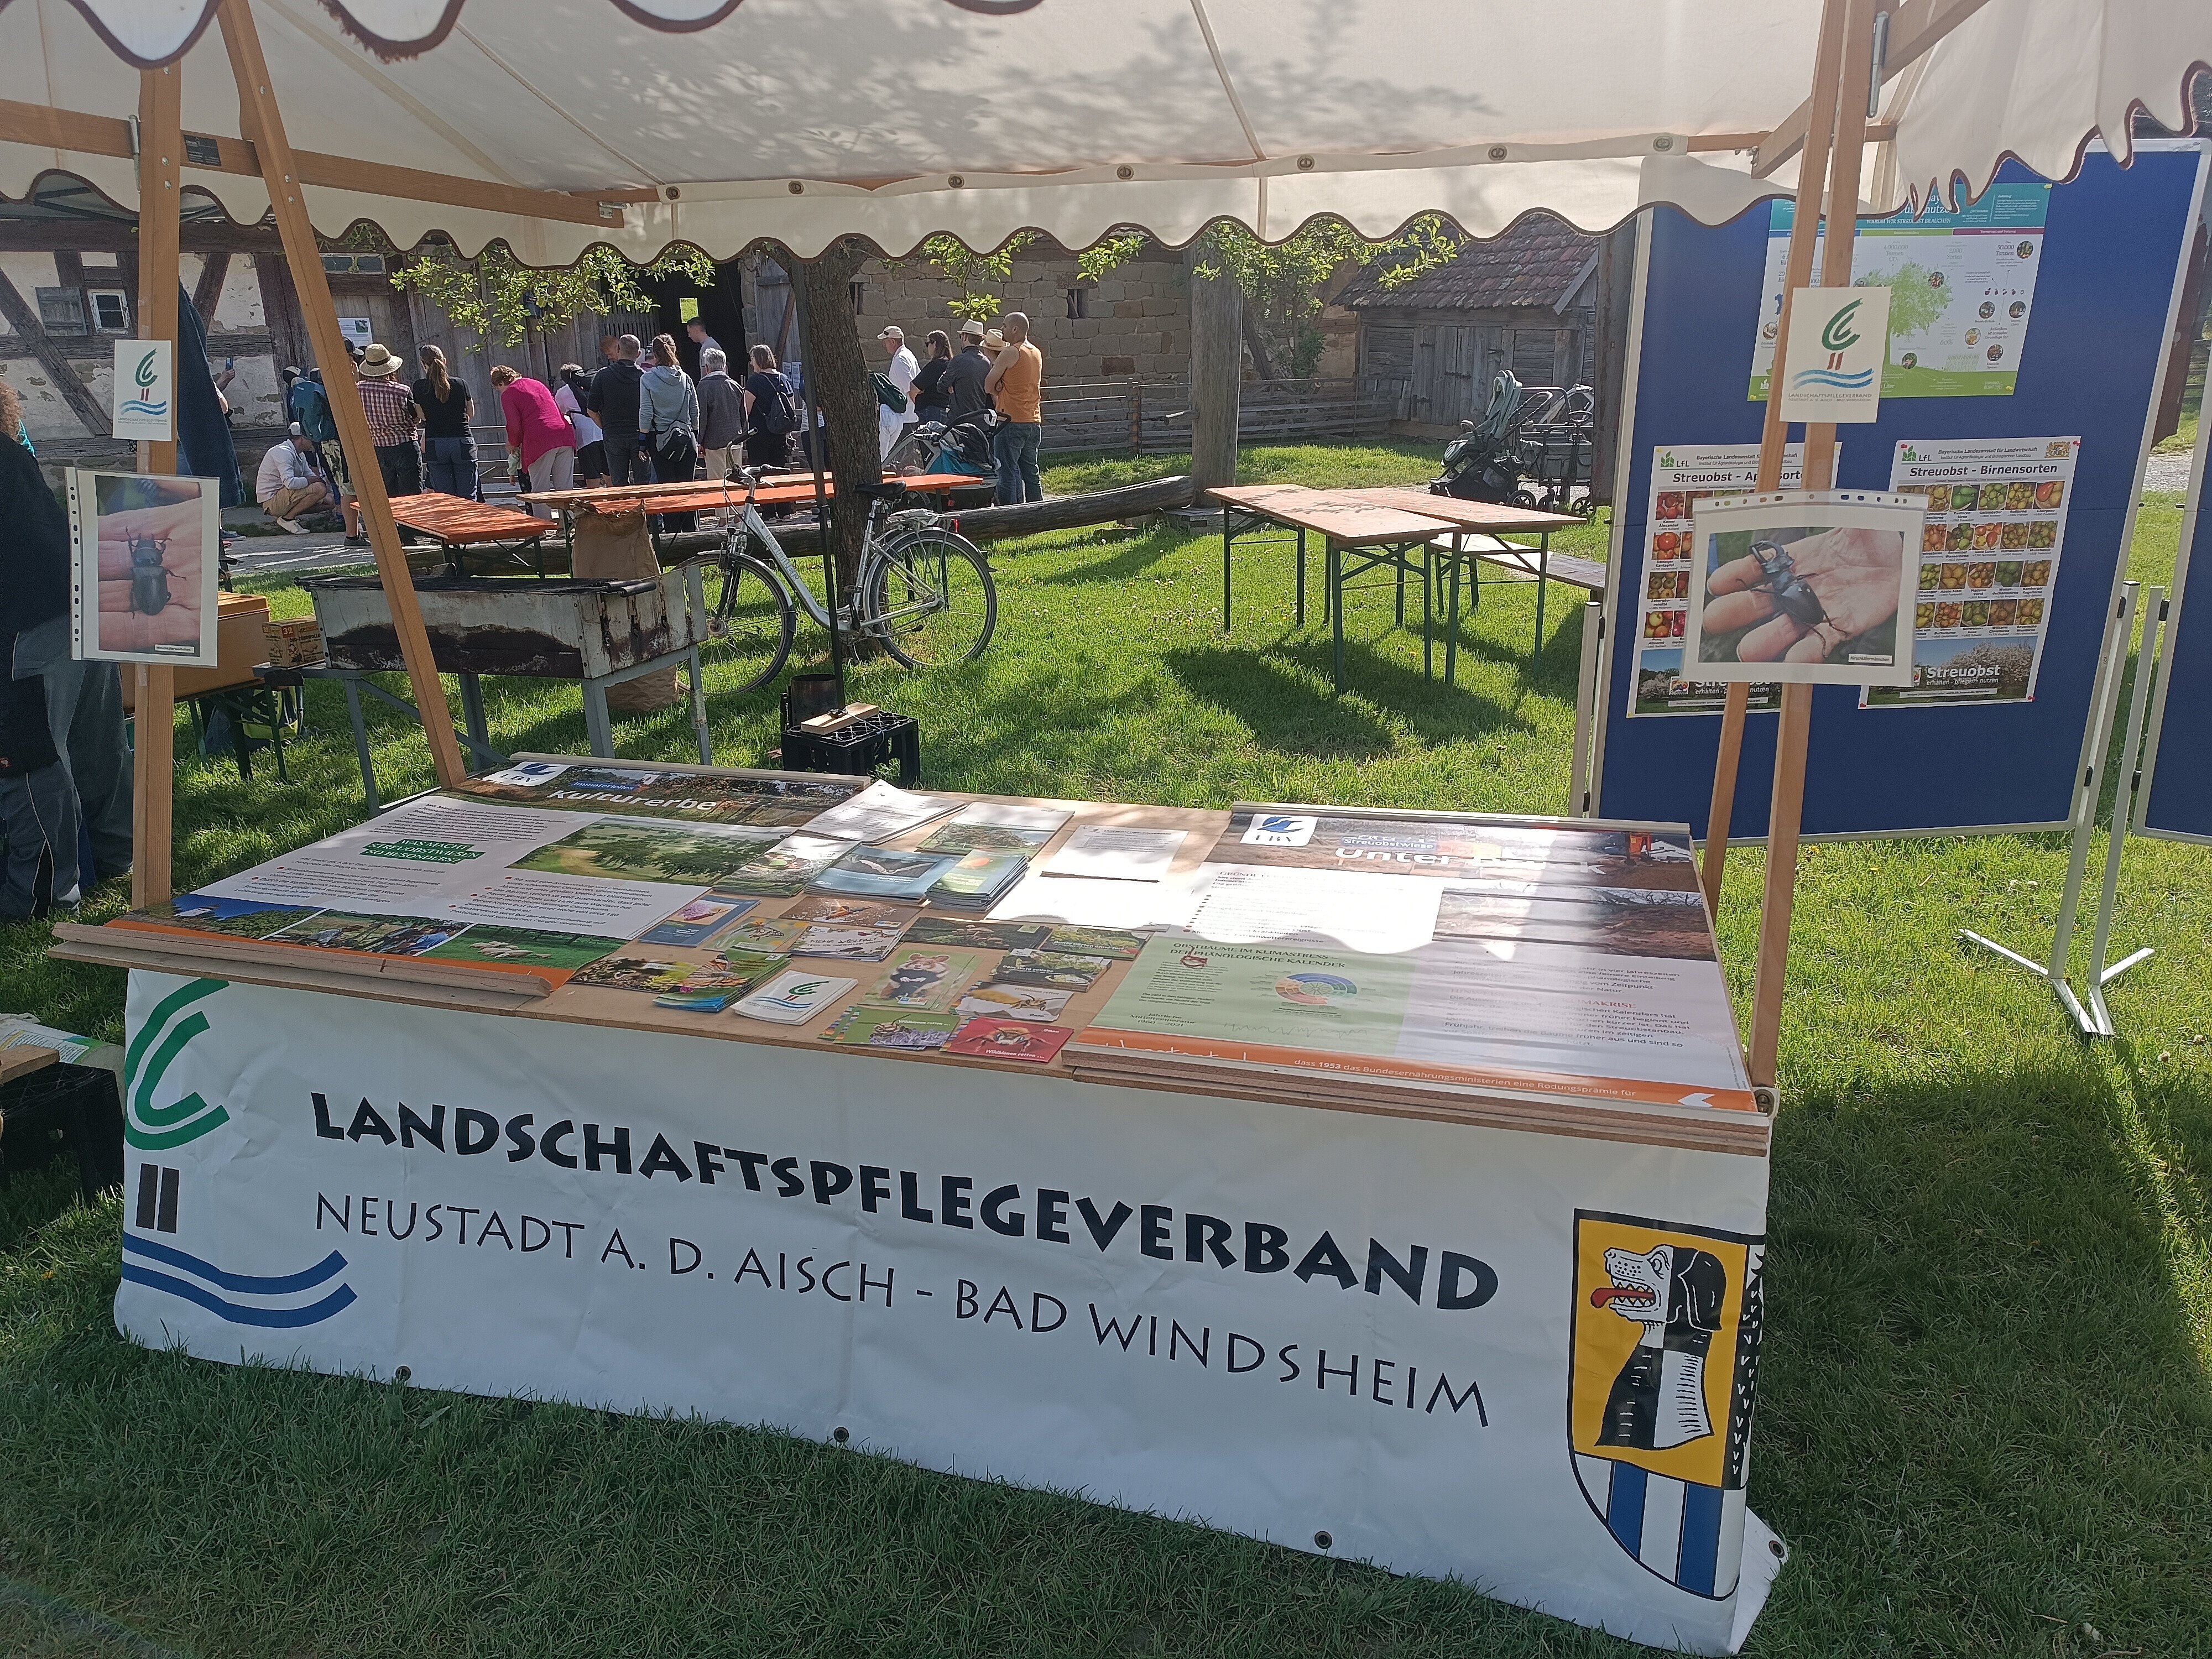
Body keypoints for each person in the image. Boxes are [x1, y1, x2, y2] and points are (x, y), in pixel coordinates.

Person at [0, 378, 129, 916]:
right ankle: (116, 860)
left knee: (32, 753)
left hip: (30, 618)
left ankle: (43, 894)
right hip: (78, 601)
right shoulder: (12, 452)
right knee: (95, 744)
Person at [491, 366, 576, 515]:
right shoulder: (537, 384)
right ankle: (570, 524)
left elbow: (515, 427)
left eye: (498, 389)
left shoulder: (509, 394)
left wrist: (512, 444)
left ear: (500, 383)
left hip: (539, 441)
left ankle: (543, 525)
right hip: (564, 435)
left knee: (540, 490)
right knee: (565, 489)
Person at [639, 333, 701, 532]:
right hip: (686, 439)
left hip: (661, 441)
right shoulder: (686, 378)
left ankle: (673, 534)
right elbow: (695, 410)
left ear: (654, 354)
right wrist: (695, 435)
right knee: (686, 490)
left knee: (668, 490)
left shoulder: (648, 379)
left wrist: (642, 442)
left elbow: (646, 412)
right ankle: (692, 535)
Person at [983, 311, 1044, 504]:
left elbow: (988, 385)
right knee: (1031, 473)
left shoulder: (1011, 352)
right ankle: (1039, 512)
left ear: (1015, 329)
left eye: (1005, 325)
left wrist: (998, 386)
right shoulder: (1036, 352)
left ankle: (1009, 516)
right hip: (1033, 420)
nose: (1002, 329)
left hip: (1010, 421)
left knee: (1006, 474)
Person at [355, 342, 422, 503]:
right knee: (412, 495)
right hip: (405, 444)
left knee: (388, 495)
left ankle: (392, 520)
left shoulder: (358, 390)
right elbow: (416, 417)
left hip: (378, 447)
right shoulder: (402, 390)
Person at [411, 343, 478, 499]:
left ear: (423, 364)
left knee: (445, 498)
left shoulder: (419, 387)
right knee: (468, 496)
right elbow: (471, 413)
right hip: (462, 440)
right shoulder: (461, 384)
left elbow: (422, 416)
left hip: (435, 443)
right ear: (444, 361)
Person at [587, 334, 648, 488]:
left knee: (619, 484)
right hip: (640, 435)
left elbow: (591, 410)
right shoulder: (645, 378)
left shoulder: (603, 375)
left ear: (618, 349)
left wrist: (606, 426)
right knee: (644, 484)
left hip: (613, 434)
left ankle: (623, 505)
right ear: (639, 354)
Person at [255, 422, 340, 531]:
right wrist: (315, 480)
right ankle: (288, 519)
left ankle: (287, 515)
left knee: (331, 500)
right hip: (272, 502)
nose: (314, 442)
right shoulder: (283, 452)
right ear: (302, 438)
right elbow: (290, 483)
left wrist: (318, 479)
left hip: (283, 496)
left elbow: (309, 475)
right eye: (311, 438)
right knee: (319, 489)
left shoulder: (299, 453)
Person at [739, 345, 796, 469]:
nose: (751, 363)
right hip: (779, 433)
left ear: (759, 359)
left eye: (752, 358)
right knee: (778, 470)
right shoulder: (784, 379)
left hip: (758, 435)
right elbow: (791, 408)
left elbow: (746, 411)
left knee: (759, 471)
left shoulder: (754, 381)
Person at [695, 347, 747, 482]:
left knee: (717, 482)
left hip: (714, 441)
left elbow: (702, 417)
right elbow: (743, 416)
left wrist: (699, 441)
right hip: (736, 439)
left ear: (707, 368)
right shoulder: (735, 386)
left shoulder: (703, 387)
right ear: (724, 366)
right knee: (736, 480)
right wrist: (743, 435)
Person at [555, 364, 607, 484]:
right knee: (610, 473)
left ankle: (594, 498)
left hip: (585, 436)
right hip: (603, 430)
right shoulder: (594, 385)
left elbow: (560, 412)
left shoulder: (562, 392)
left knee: (592, 475)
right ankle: (614, 496)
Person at [877, 325, 919, 461]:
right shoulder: (908, 355)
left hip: (905, 418)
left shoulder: (901, 360)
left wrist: (915, 409)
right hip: (907, 417)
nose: (884, 345)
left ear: (893, 341)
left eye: (886, 341)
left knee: (898, 461)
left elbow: (911, 388)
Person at [945, 319, 992, 420]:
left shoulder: (958, 360)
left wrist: (951, 385)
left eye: (961, 336)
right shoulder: (987, 362)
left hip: (959, 420)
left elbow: (941, 386)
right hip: (980, 419)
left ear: (965, 337)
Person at [911, 330, 954, 426]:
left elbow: (913, 388)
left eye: (928, 344)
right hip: (946, 411)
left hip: (931, 412)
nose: (927, 347)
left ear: (935, 344)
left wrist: (917, 399)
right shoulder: (952, 365)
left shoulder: (935, 366)